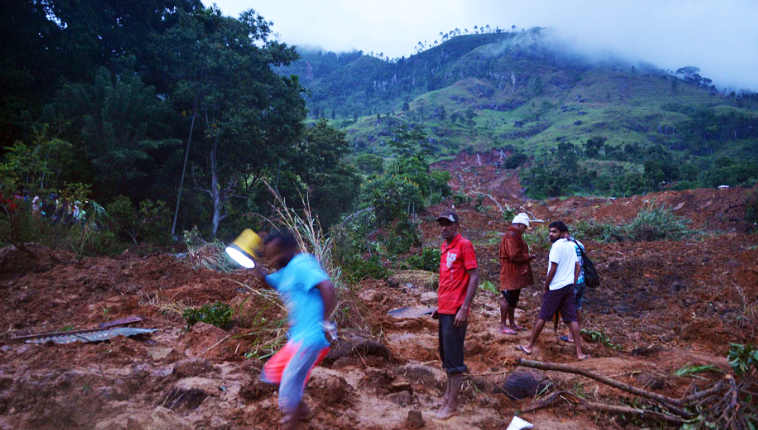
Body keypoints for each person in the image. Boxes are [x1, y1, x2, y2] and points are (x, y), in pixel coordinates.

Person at [252, 230, 336, 430]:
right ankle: (303, 411)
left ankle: (293, 421)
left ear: (289, 248)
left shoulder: (301, 264)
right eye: (270, 256)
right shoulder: (285, 274)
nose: (273, 260)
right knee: (271, 374)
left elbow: (327, 286)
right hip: (296, 340)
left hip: (311, 338)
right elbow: (266, 281)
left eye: (276, 253)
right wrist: (252, 264)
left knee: (288, 391)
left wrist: (324, 321)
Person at [517, 221, 588, 361]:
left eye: (554, 232)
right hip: (568, 287)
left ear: (562, 233)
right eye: (550, 231)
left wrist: (546, 286)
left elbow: (553, 269)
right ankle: (579, 353)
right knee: (572, 318)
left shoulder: (556, 247)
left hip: (556, 287)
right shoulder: (571, 245)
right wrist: (572, 283)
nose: (551, 234)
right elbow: (578, 267)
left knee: (543, 316)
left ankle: (529, 346)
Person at [434, 209, 479, 419]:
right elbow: (448, 279)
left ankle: (452, 405)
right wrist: (440, 305)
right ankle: (447, 397)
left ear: (456, 226)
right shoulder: (445, 247)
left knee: (454, 359)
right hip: (445, 308)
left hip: (456, 311)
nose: (443, 228)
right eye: (441, 224)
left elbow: (474, 278)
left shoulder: (464, 245)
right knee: (446, 356)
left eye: (447, 224)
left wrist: (464, 308)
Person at [498, 213, 536, 335]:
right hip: (510, 272)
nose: (525, 230)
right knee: (507, 298)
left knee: (513, 299)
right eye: (524, 227)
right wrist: (528, 257)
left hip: (515, 273)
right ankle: (503, 325)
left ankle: (512, 324)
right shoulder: (511, 235)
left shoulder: (515, 235)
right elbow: (514, 255)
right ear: (519, 224)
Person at [560, 228, 586, 343]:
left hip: (572, 280)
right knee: (577, 308)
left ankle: (571, 336)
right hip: (582, 280)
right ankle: (574, 335)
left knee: (570, 309)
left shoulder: (567, 246)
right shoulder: (579, 244)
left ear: (565, 233)